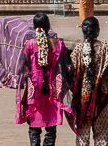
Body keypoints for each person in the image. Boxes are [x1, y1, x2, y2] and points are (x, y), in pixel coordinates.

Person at [15, 11, 74, 145]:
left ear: (35, 27)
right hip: (53, 89)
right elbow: (67, 66)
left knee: (34, 125)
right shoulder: (58, 43)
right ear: (48, 26)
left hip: (34, 88)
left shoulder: (30, 44)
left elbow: (23, 67)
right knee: (51, 125)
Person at [71, 16, 108, 146]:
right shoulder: (106, 47)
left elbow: (71, 71)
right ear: (98, 31)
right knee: (101, 131)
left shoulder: (78, 49)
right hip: (103, 93)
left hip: (84, 95)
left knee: (83, 130)